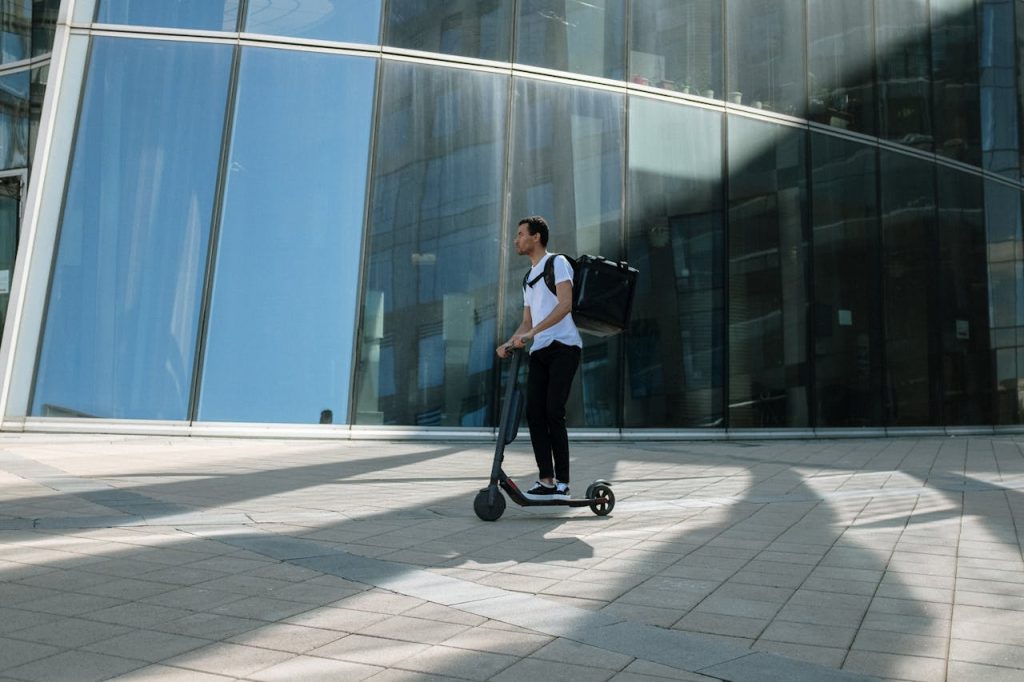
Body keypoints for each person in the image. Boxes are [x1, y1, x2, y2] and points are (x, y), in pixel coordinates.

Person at [496, 216, 582, 501]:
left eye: (520, 234)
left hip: (564, 347)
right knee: (534, 413)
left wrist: (532, 332)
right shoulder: (527, 278)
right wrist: (510, 342)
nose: (515, 239)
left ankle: (563, 484)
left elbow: (565, 305)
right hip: (540, 350)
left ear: (536, 237)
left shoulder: (556, 263)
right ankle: (546, 480)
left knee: (553, 412)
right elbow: (526, 321)